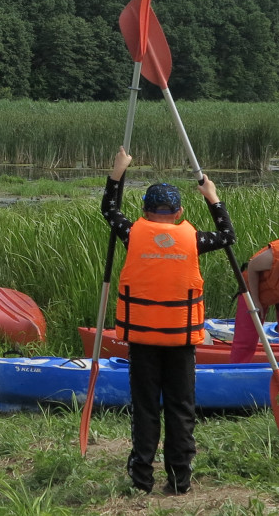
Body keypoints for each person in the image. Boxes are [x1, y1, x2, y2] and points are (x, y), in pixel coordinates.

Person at [103, 147, 235, 495]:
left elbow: (109, 210)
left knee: (146, 409)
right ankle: (180, 481)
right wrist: (214, 198)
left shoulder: (132, 234)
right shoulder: (193, 239)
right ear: (179, 212)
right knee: (181, 410)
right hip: (181, 342)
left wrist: (118, 173)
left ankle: (142, 480)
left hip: (143, 342)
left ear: (145, 211)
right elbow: (227, 235)